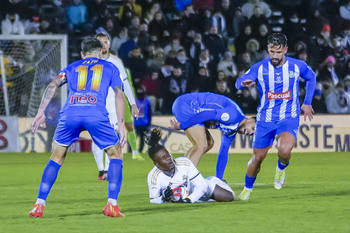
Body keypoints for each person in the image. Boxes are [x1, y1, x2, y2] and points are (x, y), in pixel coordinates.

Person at [29, 37, 126, 218]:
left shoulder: (71, 67)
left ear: (82, 54)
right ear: (100, 52)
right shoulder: (111, 67)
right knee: (115, 154)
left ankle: (38, 205)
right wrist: (121, 125)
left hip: (70, 114)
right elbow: (119, 95)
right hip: (95, 113)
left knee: (56, 157)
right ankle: (112, 204)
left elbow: (52, 85)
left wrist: (41, 111)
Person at [235, 32, 316, 201]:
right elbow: (240, 80)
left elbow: (311, 77)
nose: (275, 55)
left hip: (288, 117)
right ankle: (247, 189)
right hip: (265, 119)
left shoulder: (297, 66)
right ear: (267, 49)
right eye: (272, 51)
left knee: (284, 150)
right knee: (258, 158)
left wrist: (307, 102)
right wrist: (243, 83)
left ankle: (280, 169)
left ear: (286, 50)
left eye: (278, 52)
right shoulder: (260, 67)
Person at [169, 92, 256, 179]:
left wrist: (219, 179)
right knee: (202, 145)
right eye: (252, 128)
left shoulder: (233, 129)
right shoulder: (232, 115)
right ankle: (183, 179)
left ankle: (175, 169)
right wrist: (181, 125)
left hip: (192, 110)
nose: (250, 133)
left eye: (252, 134)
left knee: (210, 143)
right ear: (250, 119)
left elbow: (223, 153)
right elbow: (206, 114)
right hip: (187, 105)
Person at [94, 32, 144, 180]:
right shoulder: (90, 62)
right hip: (96, 104)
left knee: (113, 136)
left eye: (106, 42)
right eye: (101, 42)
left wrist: (132, 103)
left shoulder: (116, 62)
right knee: (97, 137)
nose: (104, 45)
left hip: (113, 104)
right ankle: (101, 170)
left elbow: (125, 83)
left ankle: (108, 170)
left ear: (109, 44)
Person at [146, 128, 235, 204]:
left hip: (196, 187)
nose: (169, 158)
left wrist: (188, 200)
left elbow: (202, 186)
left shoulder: (184, 163)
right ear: (156, 164)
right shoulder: (153, 176)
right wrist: (163, 198)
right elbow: (153, 200)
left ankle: (212, 180)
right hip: (189, 195)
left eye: (168, 155)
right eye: (164, 158)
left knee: (229, 197)